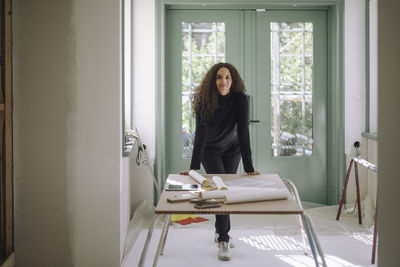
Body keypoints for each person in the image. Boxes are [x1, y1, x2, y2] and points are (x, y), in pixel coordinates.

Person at [180, 62, 259, 261]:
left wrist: (249, 167)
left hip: (233, 150)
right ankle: (224, 239)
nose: (223, 82)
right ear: (212, 80)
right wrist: (193, 169)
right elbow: (200, 136)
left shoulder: (241, 99)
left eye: (227, 78)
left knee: (225, 192)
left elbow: (243, 132)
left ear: (233, 81)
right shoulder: (203, 100)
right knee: (219, 190)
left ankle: (219, 231)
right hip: (210, 150)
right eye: (219, 77)